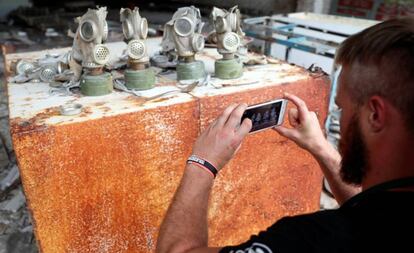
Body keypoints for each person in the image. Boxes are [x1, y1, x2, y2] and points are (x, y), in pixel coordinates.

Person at [156, 17, 414, 253]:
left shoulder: (312, 241)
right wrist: (320, 147)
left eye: (342, 108)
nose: (339, 118)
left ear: (375, 115)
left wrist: (202, 162)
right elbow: (370, 210)